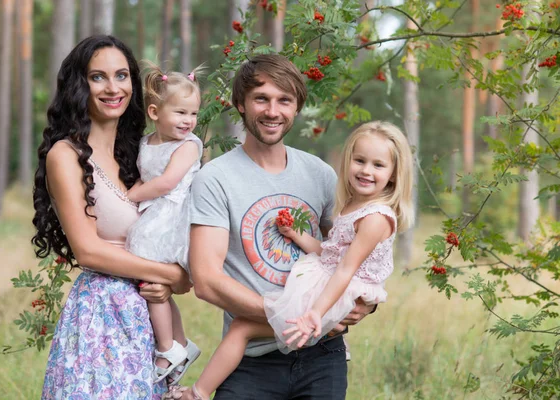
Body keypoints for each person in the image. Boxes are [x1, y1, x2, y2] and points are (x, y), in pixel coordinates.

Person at [172, 54, 379, 400]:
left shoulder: (322, 176)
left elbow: (352, 254)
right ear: (240, 103)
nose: (273, 111)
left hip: (323, 355)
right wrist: (292, 318)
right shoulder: (215, 179)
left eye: (284, 100)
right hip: (251, 359)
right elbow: (207, 282)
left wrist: (366, 304)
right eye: (261, 99)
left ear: (296, 107)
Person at [33, 35, 191, 399]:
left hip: (145, 310)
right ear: (79, 85)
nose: (112, 87)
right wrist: (173, 275)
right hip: (100, 315)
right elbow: (88, 252)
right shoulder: (66, 154)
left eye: (121, 76)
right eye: (98, 77)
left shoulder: (138, 155)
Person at [125, 63, 204, 385]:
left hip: (172, 215)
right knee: (159, 289)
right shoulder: (146, 142)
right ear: (155, 112)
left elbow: (166, 183)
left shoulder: (188, 146)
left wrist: (129, 196)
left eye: (194, 114)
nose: (189, 121)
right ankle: (181, 344)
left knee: (148, 278)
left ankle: (165, 347)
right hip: (155, 211)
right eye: (181, 113)